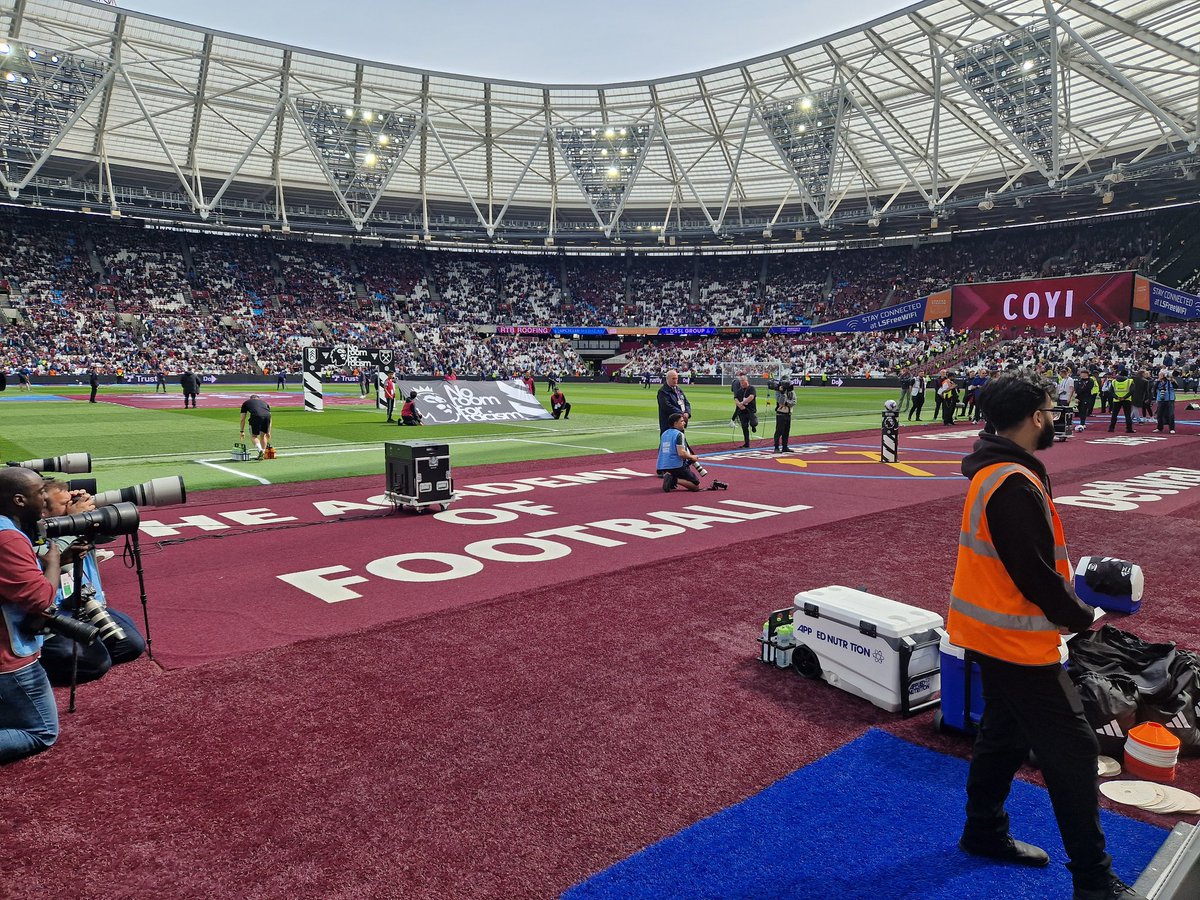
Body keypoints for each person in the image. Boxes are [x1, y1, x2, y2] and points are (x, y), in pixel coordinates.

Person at [948, 371, 1147, 900]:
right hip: (1015, 642)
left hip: (992, 632)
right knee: (1075, 751)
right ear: (1036, 417)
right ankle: (1093, 879)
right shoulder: (1012, 481)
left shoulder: (995, 472)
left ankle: (983, 831)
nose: (1056, 417)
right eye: (1052, 409)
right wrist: (1082, 618)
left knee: (1003, 734)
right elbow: (1034, 574)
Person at [35, 480, 146, 686]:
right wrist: (73, 521)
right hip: (53, 617)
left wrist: (94, 516)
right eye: (65, 503)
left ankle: (87, 648)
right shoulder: (29, 535)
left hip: (86, 605)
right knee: (97, 664)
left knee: (132, 645)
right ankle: (31, 671)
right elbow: (50, 556)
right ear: (42, 511)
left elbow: (110, 534)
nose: (72, 505)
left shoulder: (77, 524)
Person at [0, 468, 73, 764]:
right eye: (39, 492)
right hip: (9, 657)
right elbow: (40, 600)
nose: (45, 498)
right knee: (41, 730)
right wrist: (53, 563)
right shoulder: (8, 539)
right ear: (19, 500)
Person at [656, 413, 702, 493]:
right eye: (681, 421)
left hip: (663, 466)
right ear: (675, 423)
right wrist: (692, 457)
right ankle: (674, 480)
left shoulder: (664, 434)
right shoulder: (679, 434)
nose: (684, 423)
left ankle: (670, 477)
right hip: (676, 465)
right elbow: (681, 453)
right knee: (695, 486)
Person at [656, 369, 691, 435]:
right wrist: (682, 413)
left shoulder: (678, 389)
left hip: (680, 422)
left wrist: (687, 413)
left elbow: (686, 402)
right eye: (673, 379)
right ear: (667, 379)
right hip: (669, 424)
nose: (675, 381)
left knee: (681, 442)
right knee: (669, 443)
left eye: (676, 379)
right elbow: (667, 406)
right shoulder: (662, 391)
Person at [238, 394, 273, 459]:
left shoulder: (246, 403)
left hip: (256, 416)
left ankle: (260, 451)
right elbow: (270, 418)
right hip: (267, 416)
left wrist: (242, 431)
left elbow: (242, 419)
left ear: (251, 399)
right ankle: (263, 453)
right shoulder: (264, 403)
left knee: (254, 436)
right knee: (263, 435)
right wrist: (268, 431)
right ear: (258, 399)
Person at [733, 373, 758, 448]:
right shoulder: (739, 391)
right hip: (742, 412)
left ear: (746, 381)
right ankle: (747, 443)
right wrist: (739, 405)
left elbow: (751, 397)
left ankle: (753, 426)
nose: (741, 383)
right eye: (740, 382)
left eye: (742, 381)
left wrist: (742, 402)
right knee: (744, 426)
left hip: (750, 410)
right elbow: (736, 398)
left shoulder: (751, 388)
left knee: (754, 423)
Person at [1107, 368, 1134, 433]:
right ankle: (1129, 429)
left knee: (1114, 414)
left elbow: (1110, 391)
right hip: (1127, 400)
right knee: (1127, 415)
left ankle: (1111, 428)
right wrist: (1124, 397)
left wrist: (1116, 397)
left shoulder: (1114, 381)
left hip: (1116, 400)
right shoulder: (1129, 381)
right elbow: (1132, 391)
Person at [773, 378, 796, 453]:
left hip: (788, 413)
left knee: (786, 431)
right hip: (780, 414)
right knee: (779, 431)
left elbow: (794, 402)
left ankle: (785, 446)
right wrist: (783, 393)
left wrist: (786, 403)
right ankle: (776, 447)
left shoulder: (792, 392)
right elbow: (780, 401)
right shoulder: (778, 392)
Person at [1154, 369, 1176, 434]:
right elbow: (1154, 389)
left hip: (1170, 399)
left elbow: (1176, 386)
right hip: (1161, 399)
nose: (1159, 376)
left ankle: (1172, 428)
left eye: (1161, 375)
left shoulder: (1170, 381)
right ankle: (1159, 428)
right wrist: (1158, 380)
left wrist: (1171, 380)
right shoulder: (1158, 382)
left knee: (1171, 414)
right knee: (1159, 414)